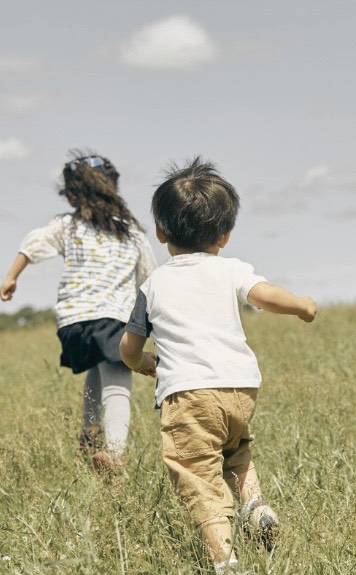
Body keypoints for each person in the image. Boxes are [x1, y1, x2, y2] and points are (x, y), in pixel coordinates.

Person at [119, 157, 317, 574]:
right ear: (225, 236)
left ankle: (225, 561)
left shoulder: (153, 285)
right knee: (236, 452)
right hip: (241, 389)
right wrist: (301, 305)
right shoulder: (231, 270)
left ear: (160, 232)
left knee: (197, 475)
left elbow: (129, 345)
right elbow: (263, 296)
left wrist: (142, 363)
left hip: (189, 394)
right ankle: (256, 505)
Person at [0, 151, 156, 474]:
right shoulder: (131, 233)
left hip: (73, 322)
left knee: (97, 368)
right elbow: (150, 281)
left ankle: (89, 432)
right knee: (117, 382)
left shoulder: (67, 226)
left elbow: (33, 243)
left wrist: (11, 277)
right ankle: (114, 454)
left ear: (72, 194)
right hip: (112, 315)